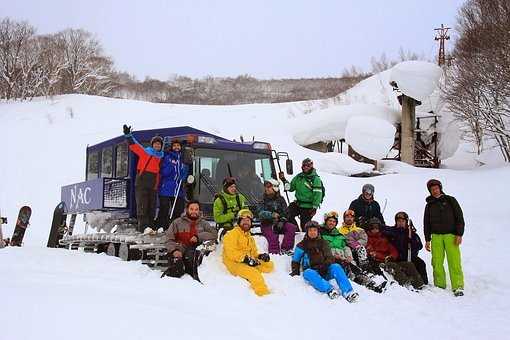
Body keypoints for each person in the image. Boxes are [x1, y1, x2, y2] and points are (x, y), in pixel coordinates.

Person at [290, 221, 359, 302]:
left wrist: (325, 266)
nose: (312, 232)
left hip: (325, 269)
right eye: (310, 230)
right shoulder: (301, 245)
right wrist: (295, 273)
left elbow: (329, 257)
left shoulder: (324, 243)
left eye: (314, 230)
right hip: (312, 270)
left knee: (336, 266)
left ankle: (348, 292)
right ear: (307, 232)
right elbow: (295, 260)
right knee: (308, 272)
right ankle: (330, 290)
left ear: (318, 231)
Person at [424, 179, 465, 296]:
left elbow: (459, 218)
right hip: (436, 236)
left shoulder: (450, 200)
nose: (435, 191)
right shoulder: (429, 205)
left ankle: (458, 286)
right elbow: (426, 223)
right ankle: (439, 285)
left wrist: (459, 234)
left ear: (440, 188)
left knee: (454, 261)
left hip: (450, 235)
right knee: (436, 262)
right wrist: (427, 239)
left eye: (436, 188)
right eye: (432, 190)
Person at [222, 209, 274, 296]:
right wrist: (246, 259)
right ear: (239, 222)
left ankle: (249, 270)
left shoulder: (250, 237)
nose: (246, 222)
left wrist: (260, 256)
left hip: (247, 260)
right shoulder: (231, 234)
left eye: (248, 220)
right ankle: (263, 294)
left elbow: (254, 253)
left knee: (269, 265)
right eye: (243, 220)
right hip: (234, 263)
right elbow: (231, 253)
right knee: (254, 274)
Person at [123, 125, 164, 234]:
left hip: (154, 185)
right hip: (142, 183)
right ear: (152, 145)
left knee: (152, 207)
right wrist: (128, 135)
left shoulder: (162, 157)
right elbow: (134, 145)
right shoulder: (145, 153)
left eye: (159, 144)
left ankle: (151, 227)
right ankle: (143, 227)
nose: (157, 145)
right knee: (142, 206)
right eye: (155, 143)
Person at [335, 210, 387, 293]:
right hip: (346, 251)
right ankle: (363, 276)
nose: (349, 219)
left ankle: (372, 272)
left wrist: (354, 244)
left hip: (358, 249)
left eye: (351, 217)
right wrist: (348, 244)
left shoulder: (359, 230)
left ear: (354, 218)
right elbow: (340, 242)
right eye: (347, 217)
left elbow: (364, 240)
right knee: (350, 261)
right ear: (344, 218)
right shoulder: (339, 230)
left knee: (363, 251)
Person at [366, 217, 424, 290]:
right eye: (372, 227)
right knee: (393, 265)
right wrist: (384, 257)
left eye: (377, 227)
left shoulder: (384, 238)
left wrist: (392, 256)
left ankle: (418, 283)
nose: (375, 229)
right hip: (379, 262)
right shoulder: (368, 238)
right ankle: (404, 282)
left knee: (408, 264)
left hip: (389, 259)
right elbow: (371, 253)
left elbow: (393, 250)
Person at [164, 200, 218, 278]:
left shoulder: (204, 223)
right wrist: (174, 250)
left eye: (196, 209)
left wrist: (198, 237)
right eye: (191, 209)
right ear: (187, 210)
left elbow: (214, 234)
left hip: (194, 255)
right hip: (179, 252)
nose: (194, 211)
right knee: (176, 270)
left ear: (199, 211)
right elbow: (169, 239)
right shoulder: (177, 222)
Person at [279, 158, 323, 231]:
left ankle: (305, 237)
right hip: (298, 204)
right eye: (304, 165)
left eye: (308, 166)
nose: (306, 167)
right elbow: (291, 188)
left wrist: (315, 207)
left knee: (304, 225)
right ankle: (295, 230)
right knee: (287, 214)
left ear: (311, 166)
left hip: (308, 207)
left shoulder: (315, 179)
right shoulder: (299, 177)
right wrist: (283, 179)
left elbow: (318, 194)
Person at [384, 211, 428, 285]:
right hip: (396, 258)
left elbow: (419, 246)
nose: (400, 223)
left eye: (402, 221)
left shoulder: (411, 232)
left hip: (409, 257)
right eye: (398, 221)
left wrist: (412, 241)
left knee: (421, 263)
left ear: (406, 222)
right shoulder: (391, 231)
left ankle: (424, 282)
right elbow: (381, 230)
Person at [257, 179, 297, 255]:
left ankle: (286, 249)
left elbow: (286, 212)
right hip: (267, 223)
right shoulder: (262, 199)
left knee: (291, 227)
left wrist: (282, 220)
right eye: (266, 187)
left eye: (269, 187)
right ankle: (274, 252)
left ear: (275, 188)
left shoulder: (281, 199)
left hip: (279, 222)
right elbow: (260, 213)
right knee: (273, 235)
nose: (267, 189)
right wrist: (271, 215)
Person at [156, 139, 188, 231]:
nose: (176, 147)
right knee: (164, 209)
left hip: (178, 188)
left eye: (178, 146)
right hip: (166, 187)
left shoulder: (182, 157)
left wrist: (183, 174)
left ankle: (175, 228)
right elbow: (164, 172)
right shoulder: (167, 156)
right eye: (175, 146)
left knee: (178, 209)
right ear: (171, 147)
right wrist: (172, 166)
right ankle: (161, 226)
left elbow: (184, 171)